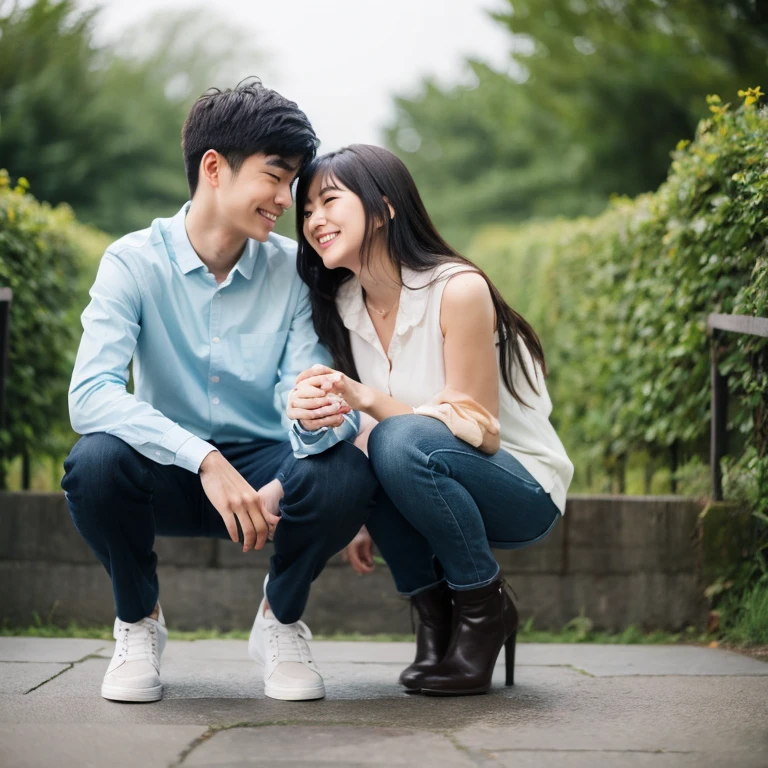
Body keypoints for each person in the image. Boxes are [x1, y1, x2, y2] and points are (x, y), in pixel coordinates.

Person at [61, 81, 376, 703]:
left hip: (269, 483)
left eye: (294, 185)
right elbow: (90, 394)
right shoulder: (131, 262)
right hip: (170, 469)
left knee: (343, 470)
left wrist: (311, 417)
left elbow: (314, 391)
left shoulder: (294, 269)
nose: (288, 201)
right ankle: (138, 620)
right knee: (94, 461)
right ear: (214, 168)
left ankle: (279, 621)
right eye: (275, 178)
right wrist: (202, 458)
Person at [288, 144, 574, 696]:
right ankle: (435, 621)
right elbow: (368, 435)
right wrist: (363, 509)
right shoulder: (343, 305)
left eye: (329, 201)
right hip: (427, 473)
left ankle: (484, 614)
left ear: (384, 207)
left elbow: (477, 428)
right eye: (305, 212)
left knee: (395, 437)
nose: (314, 220)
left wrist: (364, 397)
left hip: (519, 486)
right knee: (360, 453)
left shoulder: (457, 289)